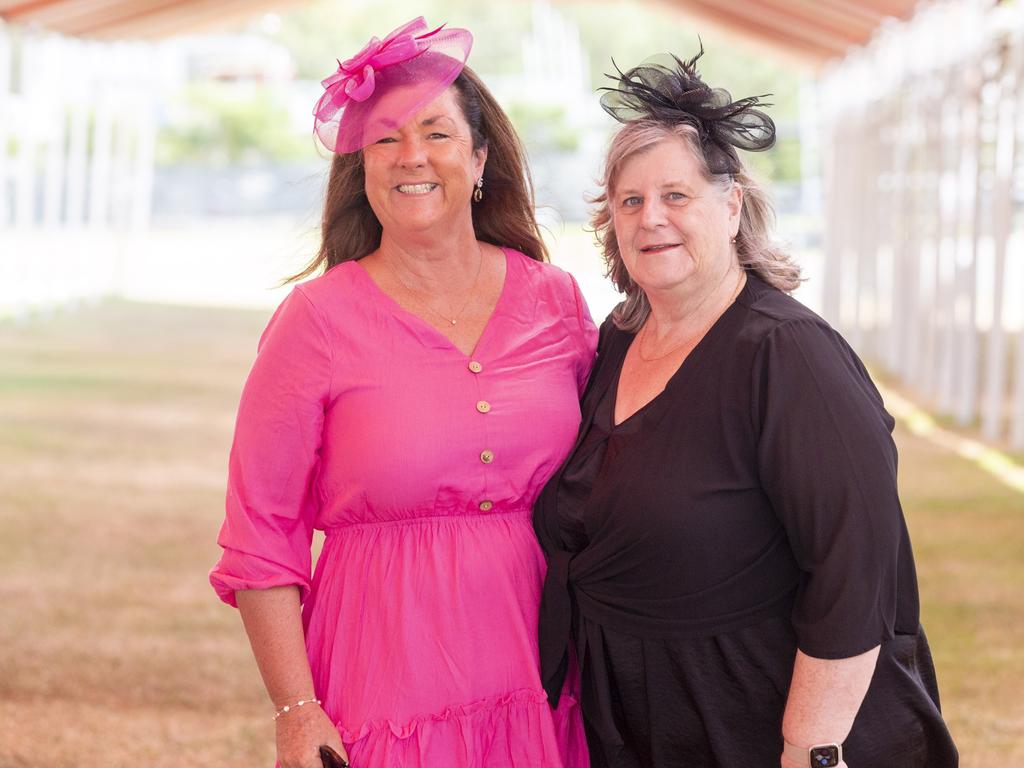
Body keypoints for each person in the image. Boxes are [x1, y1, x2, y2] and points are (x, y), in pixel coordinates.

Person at [534, 49, 959, 768]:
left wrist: (810, 746)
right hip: (629, 721)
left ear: (730, 204)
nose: (651, 219)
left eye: (676, 195)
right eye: (630, 201)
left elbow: (854, 569)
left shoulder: (789, 353)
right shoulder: (617, 340)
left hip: (754, 715)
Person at [210, 17, 595, 768]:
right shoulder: (314, 323)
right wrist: (296, 710)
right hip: (381, 670)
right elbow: (261, 537)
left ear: (481, 158)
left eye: (437, 134)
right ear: (361, 166)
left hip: (542, 664)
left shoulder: (556, 300)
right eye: (385, 139)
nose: (410, 157)